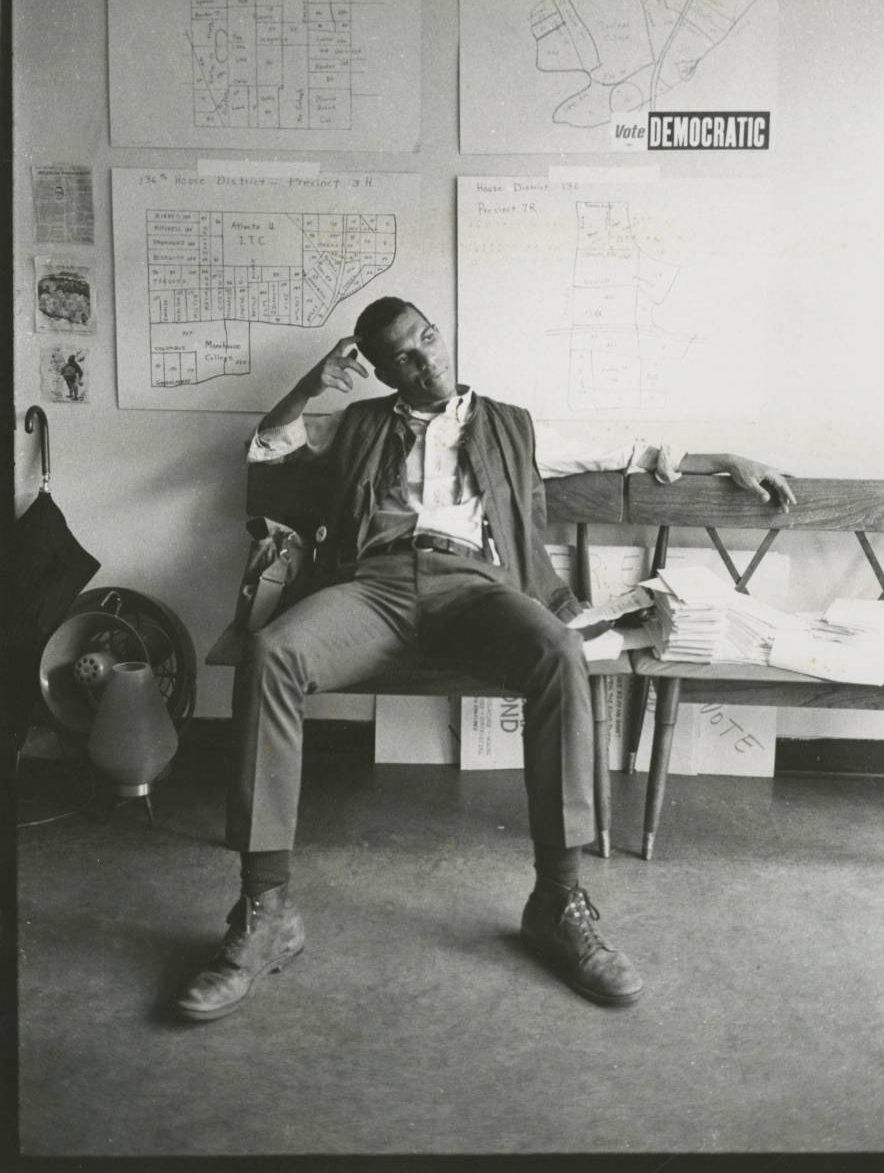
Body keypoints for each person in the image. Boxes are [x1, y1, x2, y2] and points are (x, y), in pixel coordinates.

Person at [175, 297, 795, 1022]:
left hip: (475, 589)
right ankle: (266, 908)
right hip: (372, 588)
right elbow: (269, 445)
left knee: (559, 651)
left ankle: (558, 900)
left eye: (429, 339)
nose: (427, 359)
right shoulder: (358, 424)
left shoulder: (512, 424)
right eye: (404, 356)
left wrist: (729, 458)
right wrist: (312, 382)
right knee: (272, 652)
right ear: (380, 370)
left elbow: (629, 452)